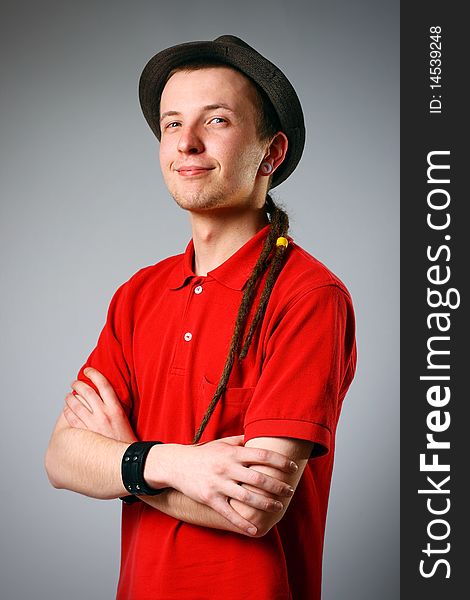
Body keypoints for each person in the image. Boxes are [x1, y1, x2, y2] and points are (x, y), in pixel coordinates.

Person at [45, 35, 357, 600]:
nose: (186, 143)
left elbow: (253, 507)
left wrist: (126, 462)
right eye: (171, 124)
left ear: (271, 153)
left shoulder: (308, 295)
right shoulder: (138, 294)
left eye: (215, 121)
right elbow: (63, 458)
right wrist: (172, 463)